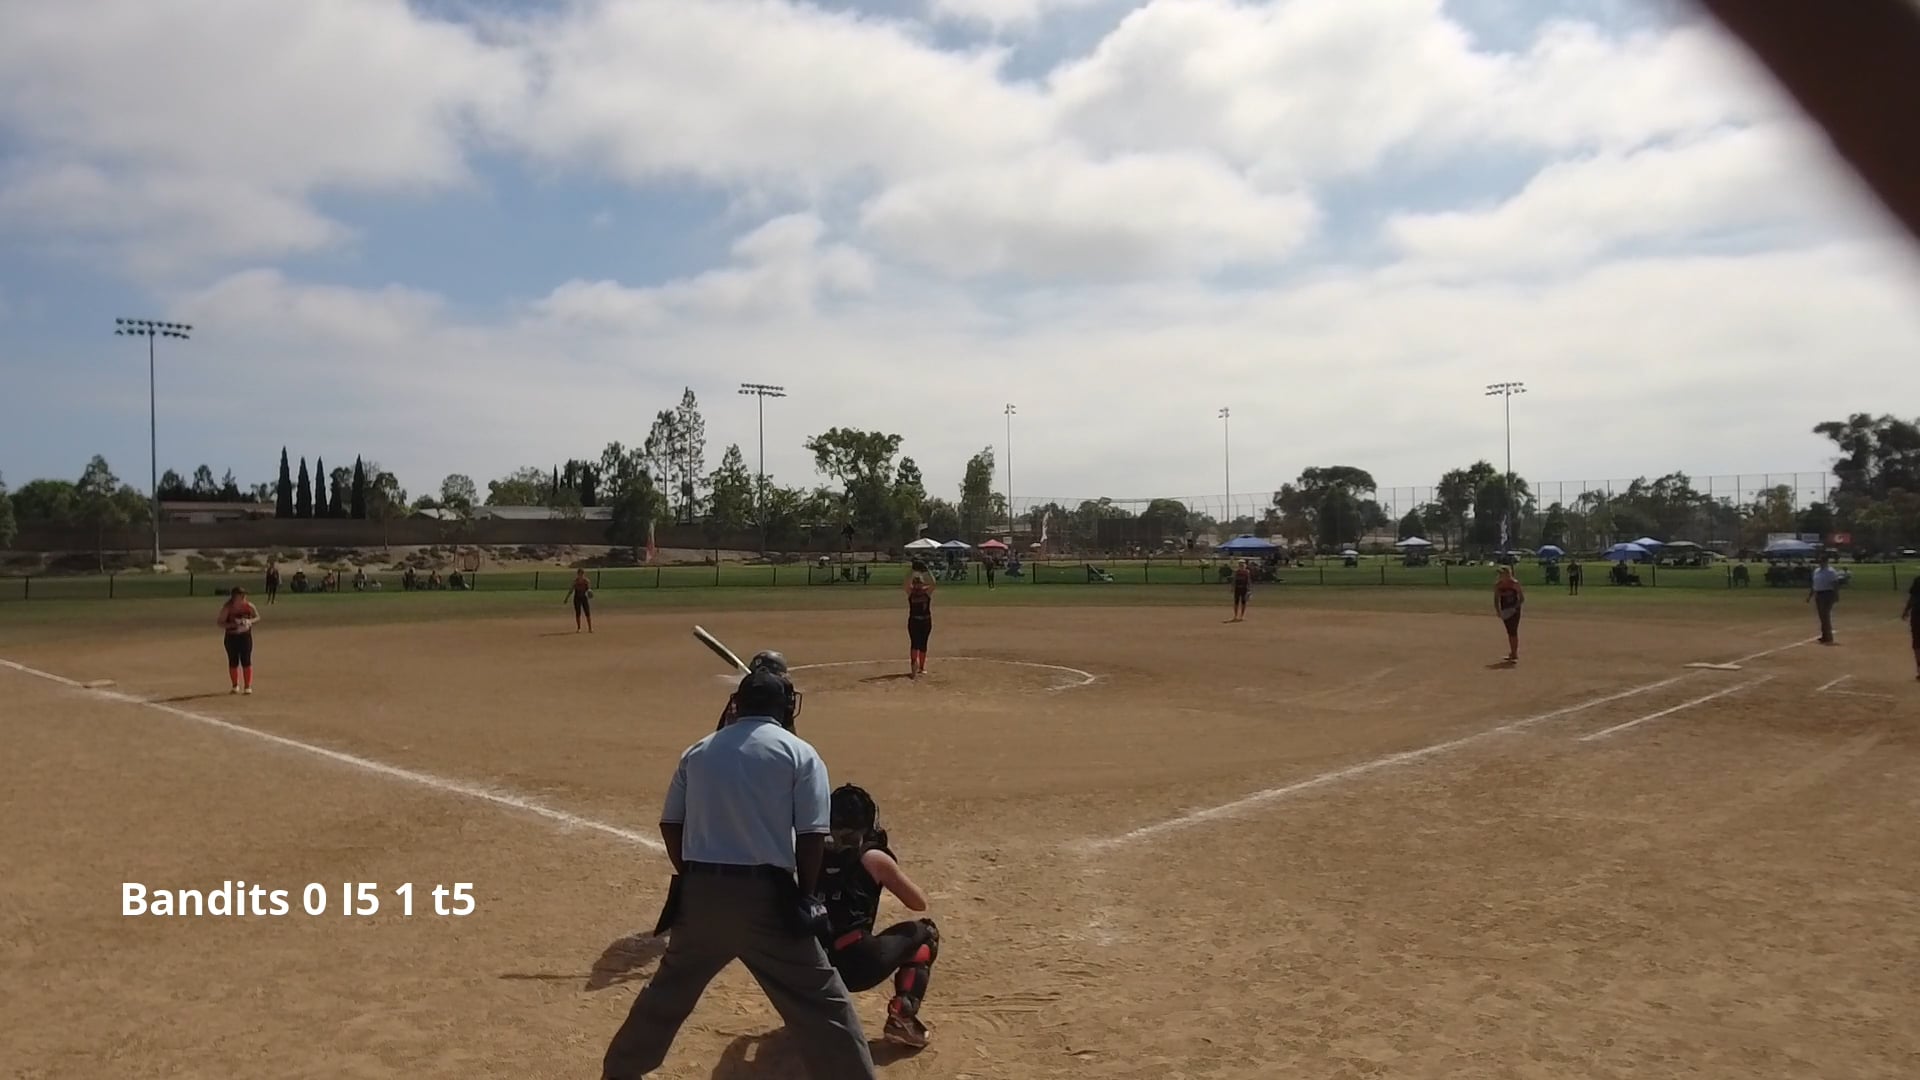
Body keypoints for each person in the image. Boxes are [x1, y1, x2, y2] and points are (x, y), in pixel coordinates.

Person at [602, 669, 874, 1080]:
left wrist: (693, 876)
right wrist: (806, 895)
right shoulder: (800, 753)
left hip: (700, 898)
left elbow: (670, 824)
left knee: (667, 992)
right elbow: (812, 835)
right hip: (768, 899)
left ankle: (619, 1072)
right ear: (786, 707)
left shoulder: (698, 751)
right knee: (821, 1001)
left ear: (737, 704)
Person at [816, 784, 938, 1049]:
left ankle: (811, 1015)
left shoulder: (810, 851)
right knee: (926, 933)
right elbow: (918, 903)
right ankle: (902, 1015)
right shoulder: (872, 857)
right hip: (857, 964)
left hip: (812, 964)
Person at [217, 586, 259, 694]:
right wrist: (234, 625)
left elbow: (257, 617)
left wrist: (250, 621)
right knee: (233, 661)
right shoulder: (228, 608)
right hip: (232, 637)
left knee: (246, 660)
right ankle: (235, 685)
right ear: (235, 597)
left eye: (244, 595)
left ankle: (247, 686)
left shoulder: (249, 606)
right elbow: (220, 622)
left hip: (245, 637)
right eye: (241, 595)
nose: (244, 597)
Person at [906, 561, 935, 679]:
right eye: (916, 583)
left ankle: (922, 667)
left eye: (920, 583)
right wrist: (912, 571)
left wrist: (927, 571)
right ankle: (914, 665)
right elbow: (905, 583)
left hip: (926, 621)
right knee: (914, 643)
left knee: (923, 644)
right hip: (914, 621)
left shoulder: (926, 592)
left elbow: (933, 583)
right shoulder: (911, 593)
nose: (918, 585)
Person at [1808, 553, 1841, 644]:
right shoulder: (1816, 571)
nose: (1820, 563)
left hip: (1827, 594)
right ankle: (1825, 635)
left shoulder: (1831, 571)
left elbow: (1835, 584)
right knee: (1822, 616)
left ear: (1826, 561)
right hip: (1818, 594)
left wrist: (1836, 595)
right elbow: (1815, 584)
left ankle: (1828, 636)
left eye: (1822, 561)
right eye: (1819, 561)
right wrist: (1810, 595)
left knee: (1825, 615)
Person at [1494, 566, 1524, 664]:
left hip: (1514, 611)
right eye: (1499, 574)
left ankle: (1514, 654)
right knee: (1510, 631)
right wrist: (1498, 610)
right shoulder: (1498, 585)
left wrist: (1514, 608)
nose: (1500, 575)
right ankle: (1513, 653)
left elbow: (1521, 598)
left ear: (1508, 574)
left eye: (1502, 573)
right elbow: (1496, 599)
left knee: (1513, 631)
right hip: (1505, 611)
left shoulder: (1514, 583)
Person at [1904, 574, 1920, 680]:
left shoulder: (1918, 580)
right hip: (1917, 613)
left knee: (1917, 642)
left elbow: (1913, 597)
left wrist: (1906, 610)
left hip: (1917, 613)